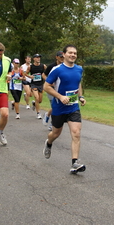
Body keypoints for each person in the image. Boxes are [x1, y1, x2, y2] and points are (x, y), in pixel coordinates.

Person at [42, 44, 87, 174]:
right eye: (70, 53)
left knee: (76, 133)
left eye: (75, 53)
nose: (73, 55)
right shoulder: (57, 70)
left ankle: (75, 163)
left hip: (73, 107)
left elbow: (78, 83)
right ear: (64, 54)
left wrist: (81, 96)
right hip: (59, 107)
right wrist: (60, 97)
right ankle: (49, 143)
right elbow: (46, 86)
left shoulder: (79, 69)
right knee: (55, 133)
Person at [42, 51, 64, 131]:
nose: (62, 58)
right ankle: (52, 123)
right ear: (57, 57)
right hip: (51, 89)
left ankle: (47, 114)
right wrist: (49, 81)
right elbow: (43, 75)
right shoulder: (52, 66)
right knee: (54, 106)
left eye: (63, 57)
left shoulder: (65, 66)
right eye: (61, 57)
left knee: (57, 106)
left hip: (60, 90)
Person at [26, 53, 47, 119]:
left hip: (41, 84)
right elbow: (25, 73)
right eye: (37, 57)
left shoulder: (43, 66)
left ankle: (34, 103)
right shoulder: (30, 67)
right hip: (34, 84)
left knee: (40, 100)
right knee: (37, 97)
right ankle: (38, 113)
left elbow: (47, 73)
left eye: (39, 57)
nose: (38, 58)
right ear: (34, 59)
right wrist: (29, 76)